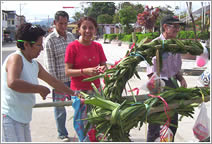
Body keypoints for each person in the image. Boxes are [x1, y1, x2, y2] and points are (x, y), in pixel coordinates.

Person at [2, 23, 74, 142]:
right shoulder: (16, 58)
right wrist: (39, 89)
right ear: (26, 45)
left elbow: (53, 81)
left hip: (23, 118)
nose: (42, 48)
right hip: (10, 117)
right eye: (38, 45)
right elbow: (13, 82)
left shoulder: (34, 64)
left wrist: (74, 93)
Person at [64, 17, 107, 141]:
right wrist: (84, 71)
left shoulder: (98, 46)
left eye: (91, 28)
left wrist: (103, 69)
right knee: (83, 124)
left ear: (95, 30)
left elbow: (104, 64)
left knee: (97, 122)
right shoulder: (72, 47)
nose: (88, 31)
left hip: (96, 91)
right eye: (84, 27)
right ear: (78, 30)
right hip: (79, 92)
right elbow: (67, 71)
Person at [146, 15, 187, 142]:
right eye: (174, 26)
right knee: (156, 123)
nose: (177, 29)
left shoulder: (177, 45)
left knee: (172, 122)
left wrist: (181, 79)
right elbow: (149, 70)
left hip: (173, 86)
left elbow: (176, 69)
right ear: (165, 27)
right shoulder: (155, 44)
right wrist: (157, 86)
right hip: (158, 86)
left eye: (178, 27)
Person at [43, 11, 75, 142]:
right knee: (60, 109)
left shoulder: (71, 37)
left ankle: (82, 129)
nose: (63, 26)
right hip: (59, 82)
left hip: (73, 80)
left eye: (66, 23)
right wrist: (55, 85)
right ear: (55, 23)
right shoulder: (50, 40)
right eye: (60, 23)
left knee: (79, 106)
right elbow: (50, 65)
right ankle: (62, 133)